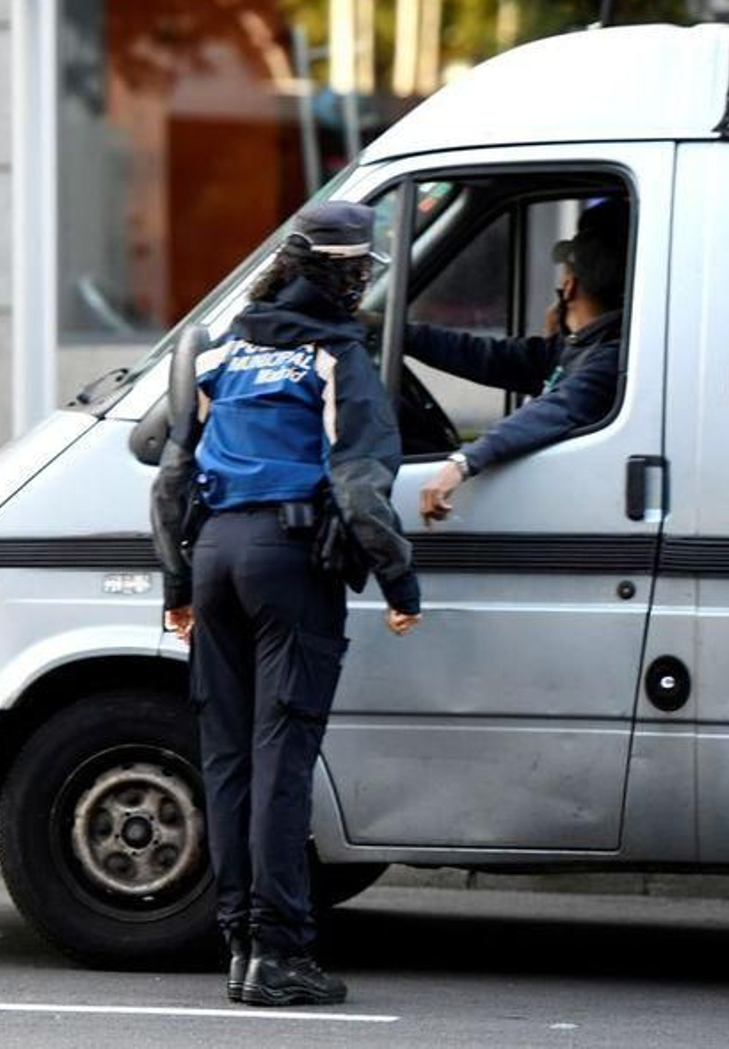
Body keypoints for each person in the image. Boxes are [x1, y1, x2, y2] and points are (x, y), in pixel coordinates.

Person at [150, 202, 421, 1008]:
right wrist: (400, 583)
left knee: (229, 759)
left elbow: (166, 474)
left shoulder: (222, 353)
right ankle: (281, 952)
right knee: (282, 761)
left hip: (215, 559)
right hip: (288, 564)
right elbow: (362, 488)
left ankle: (238, 943)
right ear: (349, 276)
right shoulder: (339, 356)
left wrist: (175, 585)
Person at [410, 198, 630, 524]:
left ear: (569, 287)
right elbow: (488, 357)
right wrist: (395, 332)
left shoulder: (608, 357)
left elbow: (554, 409)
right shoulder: (582, 346)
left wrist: (461, 464)